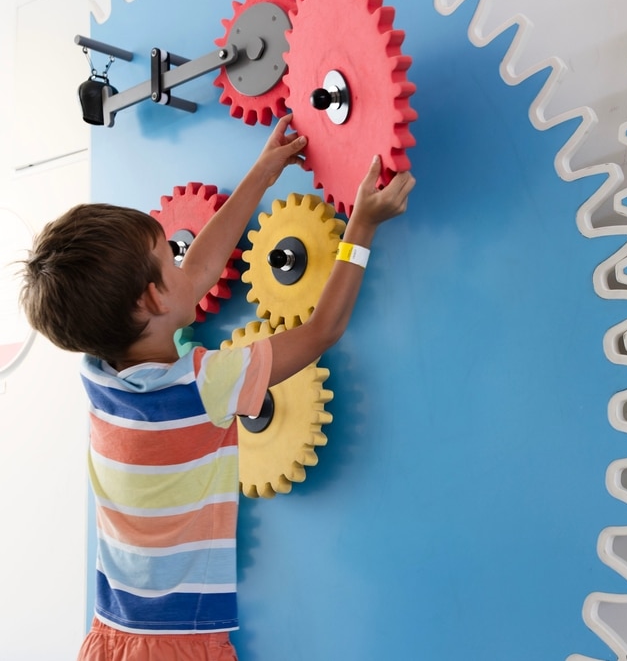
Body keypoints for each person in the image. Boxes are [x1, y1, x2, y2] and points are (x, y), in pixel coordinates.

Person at [19, 114, 415, 661]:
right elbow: (322, 329)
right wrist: (362, 229)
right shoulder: (205, 383)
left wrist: (263, 172)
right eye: (169, 257)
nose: (186, 263)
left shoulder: (98, 374)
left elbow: (196, 274)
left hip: (111, 635)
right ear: (153, 301)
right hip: (182, 645)